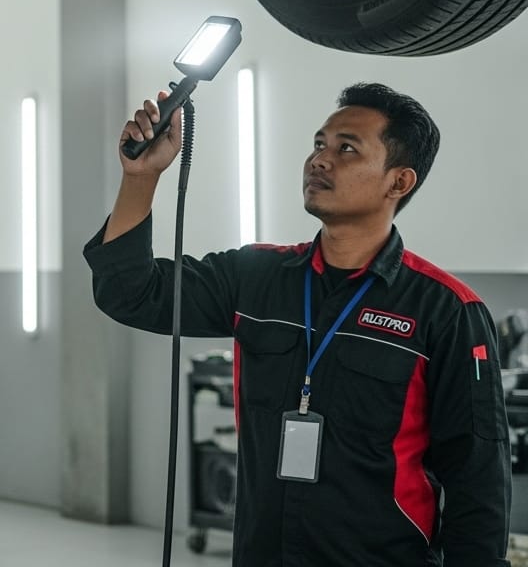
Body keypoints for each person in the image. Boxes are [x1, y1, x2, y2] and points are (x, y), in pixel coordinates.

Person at [84, 82, 510, 567]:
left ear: (399, 181)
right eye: (319, 145)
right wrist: (141, 178)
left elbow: (477, 479)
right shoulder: (255, 277)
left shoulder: (447, 311)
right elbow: (131, 293)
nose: (320, 160)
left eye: (346, 148)